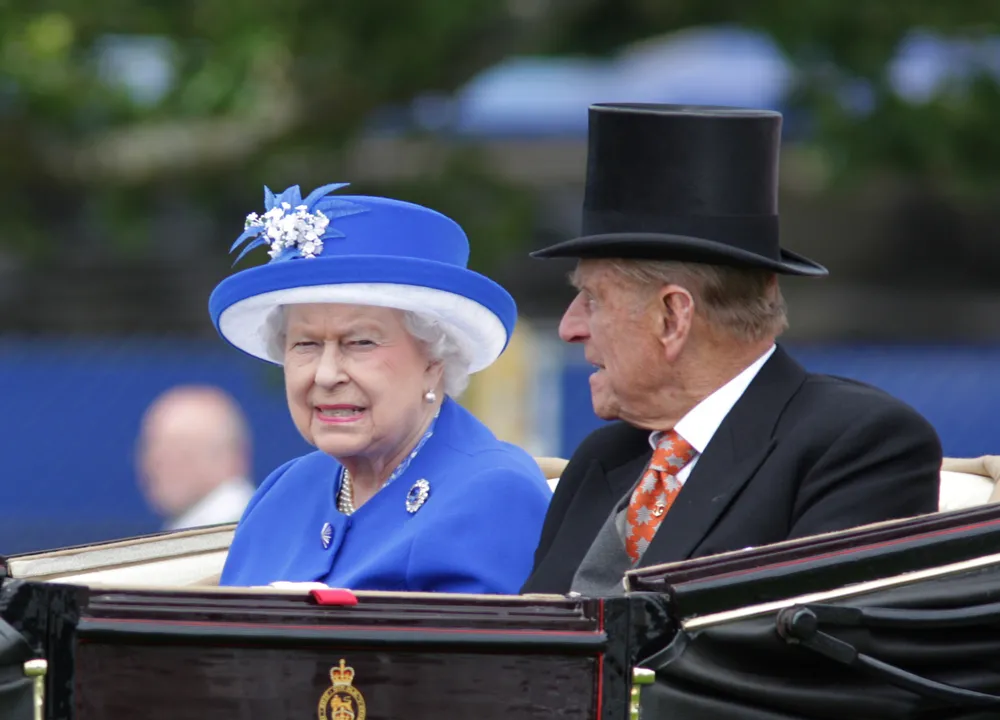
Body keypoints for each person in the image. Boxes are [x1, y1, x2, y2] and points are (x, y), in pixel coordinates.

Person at [520, 104, 942, 595]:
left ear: (672, 317)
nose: (569, 327)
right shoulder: (606, 457)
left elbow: (808, 658)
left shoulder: (857, 446)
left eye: (592, 299)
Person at [209, 182, 551, 593]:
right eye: (306, 344)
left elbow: (477, 656)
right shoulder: (282, 491)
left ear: (434, 361)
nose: (326, 374)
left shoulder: (495, 494)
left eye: (359, 343)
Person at [137, 385, 256, 530]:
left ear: (229, 459)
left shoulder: (238, 531)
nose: (155, 463)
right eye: (150, 447)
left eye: (179, 449)